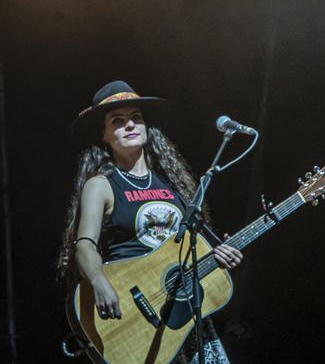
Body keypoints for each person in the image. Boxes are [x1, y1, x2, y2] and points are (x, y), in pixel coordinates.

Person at [57, 81, 243, 364]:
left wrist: (220, 254)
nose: (130, 125)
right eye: (118, 121)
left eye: (136, 117)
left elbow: (191, 250)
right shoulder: (101, 185)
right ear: (104, 135)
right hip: (133, 315)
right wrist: (98, 282)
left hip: (183, 315)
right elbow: (83, 246)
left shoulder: (174, 187)